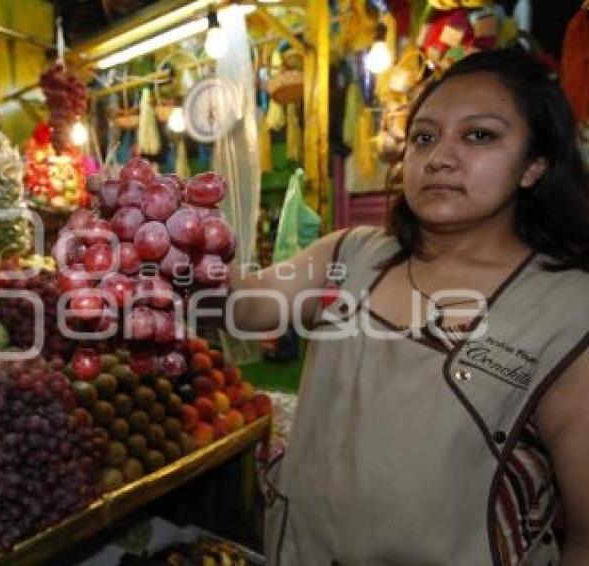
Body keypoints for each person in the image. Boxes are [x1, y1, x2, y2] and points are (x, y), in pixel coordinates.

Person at [230, 47, 589, 565]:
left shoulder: (566, 310)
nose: (439, 156)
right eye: (424, 136)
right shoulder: (350, 255)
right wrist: (179, 256)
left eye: (479, 136)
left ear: (534, 165)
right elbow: (246, 308)